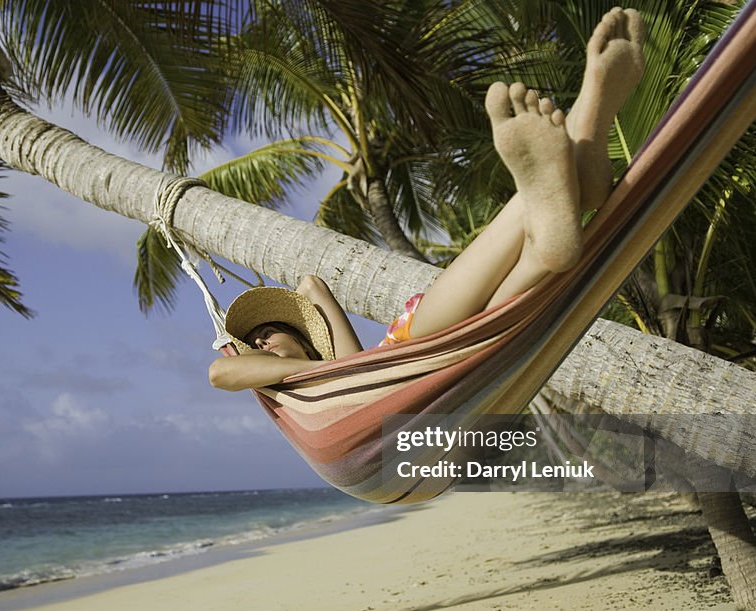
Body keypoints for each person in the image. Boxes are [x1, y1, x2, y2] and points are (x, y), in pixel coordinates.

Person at [209, 7, 646, 392]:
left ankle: (585, 128)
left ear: (303, 335)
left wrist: (295, 343)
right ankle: (574, 155)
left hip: (416, 348)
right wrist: (262, 358)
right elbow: (219, 374)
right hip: (458, 369)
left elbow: (311, 286)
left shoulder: (345, 367)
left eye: (266, 334)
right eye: (256, 346)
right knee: (539, 258)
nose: (261, 344)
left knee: (543, 253)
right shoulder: (317, 391)